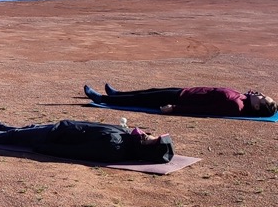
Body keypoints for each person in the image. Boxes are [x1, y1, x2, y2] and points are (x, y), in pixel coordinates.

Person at [0, 116, 174, 164]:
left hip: (55, 137)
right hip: (61, 128)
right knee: (25, 130)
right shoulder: (125, 138)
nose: (145, 134)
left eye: (148, 139)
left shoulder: (114, 147)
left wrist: (45, 148)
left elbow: (77, 153)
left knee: (12, 138)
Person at [84, 82, 277, 117]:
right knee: (148, 92)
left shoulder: (235, 106)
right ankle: (117, 94)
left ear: (258, 105)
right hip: (185, 91)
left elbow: (205, 111)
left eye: (261, 97)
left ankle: (101, 99)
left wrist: (175, 109)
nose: (258, 94)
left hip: (183, 99)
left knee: (142, 100)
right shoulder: (244, 98)